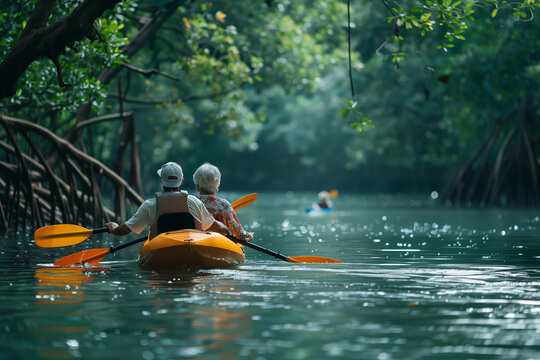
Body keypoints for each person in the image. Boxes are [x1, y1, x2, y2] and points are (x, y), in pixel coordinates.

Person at [106, 162, 229, 239]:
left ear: (161, 180)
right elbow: (216, 227)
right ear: (181, 181)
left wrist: (114, 228)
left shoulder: (149, 205)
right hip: (191, 245)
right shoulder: (194, 202)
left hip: (161, 248)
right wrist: (226, 230)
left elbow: (125, 229)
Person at [193, 163, 254, 242]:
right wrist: (249, 235)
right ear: (217, 186)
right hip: (217, 244)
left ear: (197, 186)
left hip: (194, 240)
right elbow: (240, 235)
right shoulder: (224, 205)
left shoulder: (190, 201)